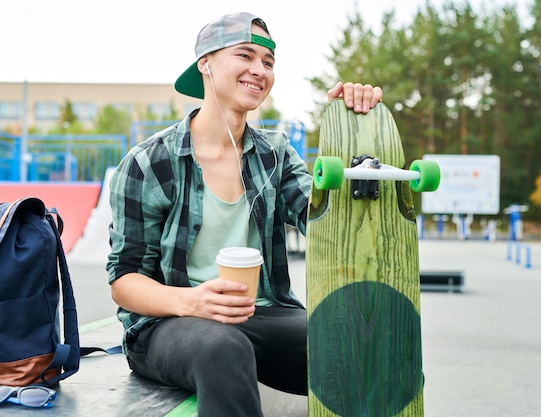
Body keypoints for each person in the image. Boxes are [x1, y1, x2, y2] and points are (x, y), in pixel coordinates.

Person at [106, 12, 383, 417]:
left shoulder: (275, 154)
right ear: (206, 63)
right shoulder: (151, 163)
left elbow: (323, 221)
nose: (259, 70)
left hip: (265, 314)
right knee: (223, 346)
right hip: (169, 324)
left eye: (268, 63)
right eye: (245, 55)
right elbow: (124, 280)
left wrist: (353, 130)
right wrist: (194, 302)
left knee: (366, 341)